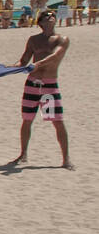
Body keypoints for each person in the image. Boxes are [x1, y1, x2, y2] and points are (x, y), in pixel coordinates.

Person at [7, 13, 72, 169]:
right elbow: (24, 60)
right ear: (41, 22)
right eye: (47, 16)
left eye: (53, 15)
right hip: (32, 84)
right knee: (27, 119)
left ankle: (66, 159)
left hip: (48, 86)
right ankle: (23, 154)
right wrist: (12, 67)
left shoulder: (61, 39)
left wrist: (37, 64)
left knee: (56, 120)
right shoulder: (34, 40)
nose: (51, 16)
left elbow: (55, 56)